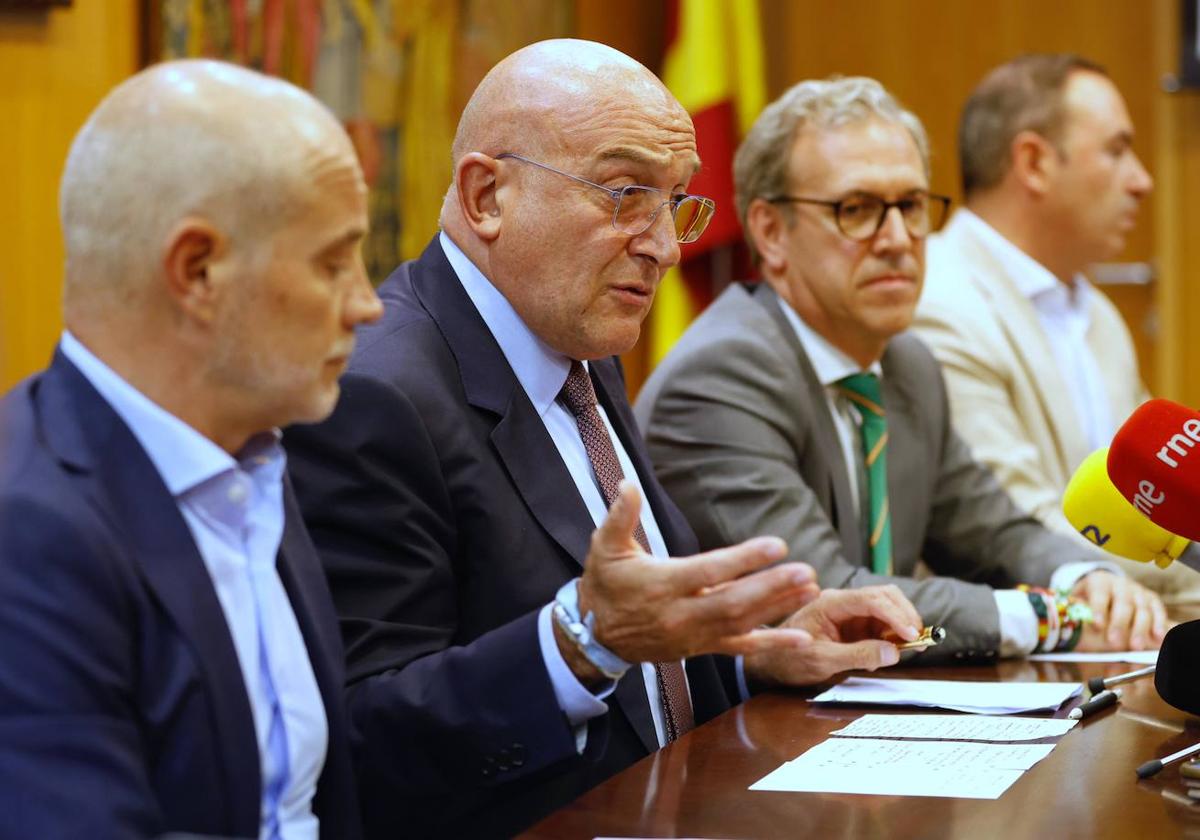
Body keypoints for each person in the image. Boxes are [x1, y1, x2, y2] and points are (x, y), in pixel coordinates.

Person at [283, 40, 924, 839]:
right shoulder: (377, 393)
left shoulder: (577, 345)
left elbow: (635, 651)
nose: (665, 244)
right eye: (624, 195)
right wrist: (578, 643)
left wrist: (750, 651)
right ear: (487, 195)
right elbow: (363, 737)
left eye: (676, 202)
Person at [635, 75, 1168, 669]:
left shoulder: (905, 362)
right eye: (856, 210)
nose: (896, 240)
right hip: (746, 742)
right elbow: (827, 598)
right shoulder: (722, 376)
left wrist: (1086, 576)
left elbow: (994, 531)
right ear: (770, 231)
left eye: (911, 206)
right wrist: (1054, 616)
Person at [0, 60, 384, 838]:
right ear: (198, 271)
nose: (368, 304)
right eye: (333, 262)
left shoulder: (256, 458)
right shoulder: (28, 532)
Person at [911, 54, 1200, 602]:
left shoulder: (1096, 311)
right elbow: (1023, 528)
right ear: (1034, 163)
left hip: (1133, 631)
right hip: (1023, 656)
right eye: (1116, 151)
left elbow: (1157, 499)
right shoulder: (938, 303)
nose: (1142, 180)